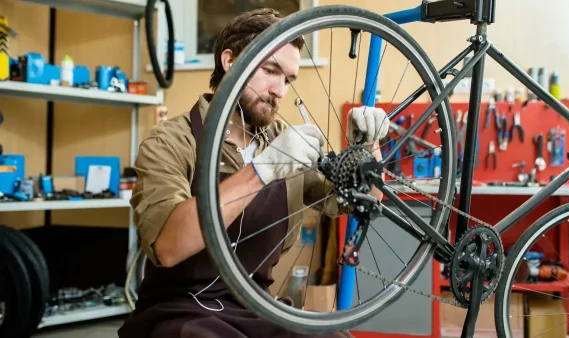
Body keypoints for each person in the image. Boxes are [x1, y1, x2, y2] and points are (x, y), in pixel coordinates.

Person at [118, 8, 390, 338]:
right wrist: (262, 170)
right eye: (270, 70)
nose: (280, 91)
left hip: (258, 308)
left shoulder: (281, 139)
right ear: (230, 61)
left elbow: (362, 202)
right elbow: (168, 245)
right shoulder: (171, 141)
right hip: (179, 311)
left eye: (288, 79)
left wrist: (367, 150)